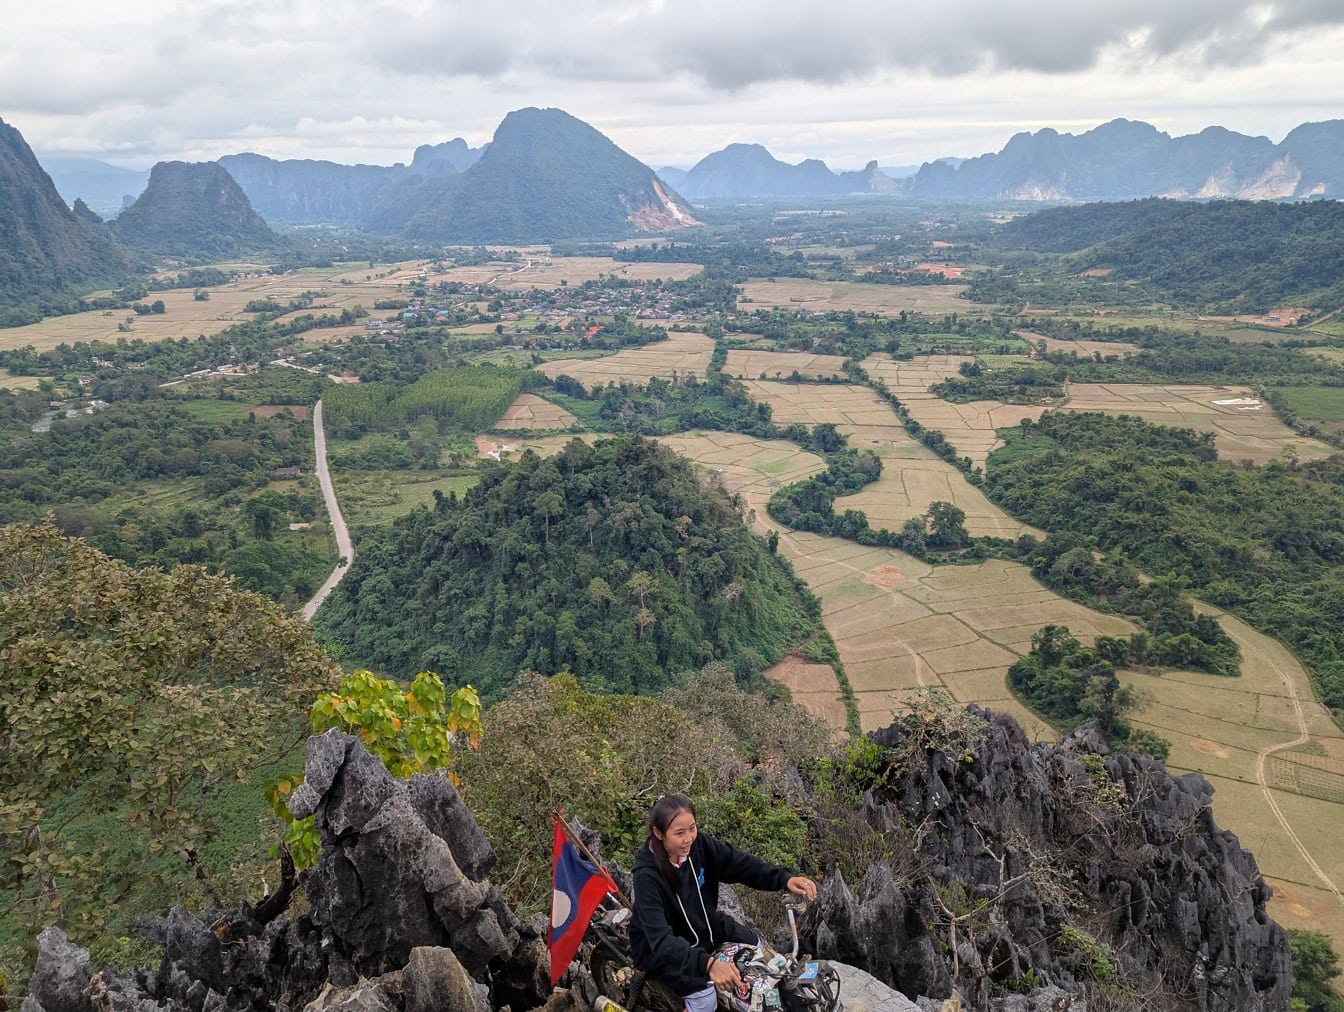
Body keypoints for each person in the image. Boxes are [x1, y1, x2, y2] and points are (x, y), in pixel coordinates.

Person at [629, 794, 818, 1012]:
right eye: (679, 833)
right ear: (658, 833)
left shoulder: (699, 846)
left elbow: (739, 864)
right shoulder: (647, 876)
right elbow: (661, 941)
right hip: (662, 950)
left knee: (760, 951)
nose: (689, 838)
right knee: (705, 1000)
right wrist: (709, 965)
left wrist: (784, 880)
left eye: (692, 828)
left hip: (705, 926)